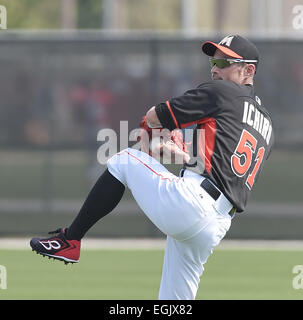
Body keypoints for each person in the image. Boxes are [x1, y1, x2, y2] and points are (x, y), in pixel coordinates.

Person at [30, 35, 274, 300]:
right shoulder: (267, 125)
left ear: (249, 70)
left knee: (123, 161)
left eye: (224, 61)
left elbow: (153, 116)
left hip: (193, 203)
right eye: (213, 60)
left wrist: (163, 128)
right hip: (216, 223)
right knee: (174, 301)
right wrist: (179, 153)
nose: (215, 67)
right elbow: (221, 172)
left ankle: (71, 239)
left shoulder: (224, 92)